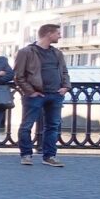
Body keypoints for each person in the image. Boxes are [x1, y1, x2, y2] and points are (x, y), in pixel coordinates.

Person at [13, 24, 71, 167]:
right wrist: (31, 92)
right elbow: (18, 76)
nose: (60, 36)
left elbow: (64, 72)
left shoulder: (57, 53)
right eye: (58, 33)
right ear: (48, 34)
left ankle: (49, 156)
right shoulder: (26, 52)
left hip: (55, 94)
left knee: (53, 126)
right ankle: (26, 155)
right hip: (35, 95)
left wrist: (66, 87)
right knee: (27, 125)